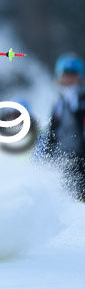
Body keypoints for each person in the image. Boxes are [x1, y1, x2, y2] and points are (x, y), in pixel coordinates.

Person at [35, 53, 85, 201]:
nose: (68, 79)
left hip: (80, 164)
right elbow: (52, 133)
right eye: (65, 75)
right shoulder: (59, 102)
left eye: (72, 75)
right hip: (61, 164)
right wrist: (47, 159)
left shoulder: (80, 101)